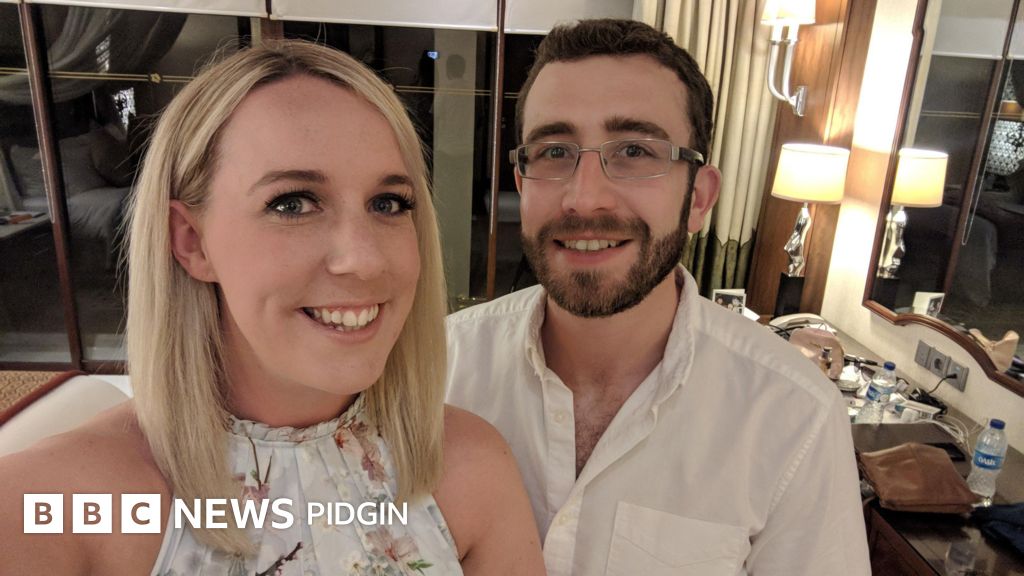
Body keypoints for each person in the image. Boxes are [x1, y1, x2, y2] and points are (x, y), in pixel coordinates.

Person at [0, 41, 544, 575]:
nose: (364, 259)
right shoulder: (47, 509)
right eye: (293, 203)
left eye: (389, 203)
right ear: (191, 240)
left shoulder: (470, 466)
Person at [446, 19, 870, 575]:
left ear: (699, 198)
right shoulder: (439, 368)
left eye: (634, 151)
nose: (584, 198)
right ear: (523, 186)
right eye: (554, 151)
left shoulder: (793, 417)